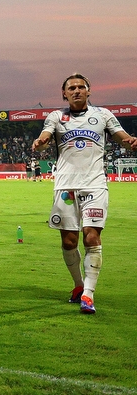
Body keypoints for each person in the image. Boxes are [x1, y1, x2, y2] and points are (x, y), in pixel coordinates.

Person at [31, 73, 137, 314]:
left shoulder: (103, 115)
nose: (77, 90)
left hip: (94, 184)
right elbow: (46, 136)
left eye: (81, 87)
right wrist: (41, 141)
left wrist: (129, 140)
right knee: (69, 240)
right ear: (64, 93)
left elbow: (120, 135)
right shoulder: (57, 117)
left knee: (91, 236)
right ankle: (78, 285)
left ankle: (88, 294)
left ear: (89, 91)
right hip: (66, 186)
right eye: (72, 88)